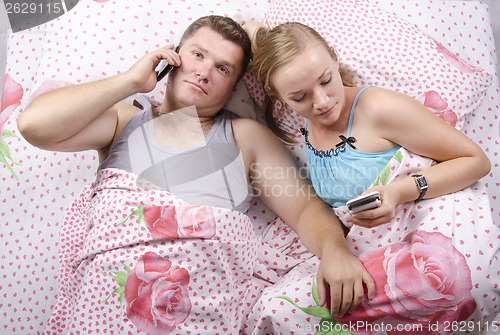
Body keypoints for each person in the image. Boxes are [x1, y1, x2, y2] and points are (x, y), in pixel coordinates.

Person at [17, 15, 374, 319]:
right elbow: (35, 125)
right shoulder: (124, 120)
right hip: (108, 299)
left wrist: (334, 250)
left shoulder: (243, 137)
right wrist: (129, 81)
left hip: (198, 303)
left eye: (222, 69)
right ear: (171, 58)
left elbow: (305, 208)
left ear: (233, 86)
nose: (204, 73)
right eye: (197, 55)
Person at [243, 21, 491, 228]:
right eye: (300, 97)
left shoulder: (379, 109)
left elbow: (477, 161)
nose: (321, 102)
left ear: (334, 58)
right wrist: (252, 28)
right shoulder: (298, 112)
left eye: (327, 80)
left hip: (426, 224)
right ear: (279, 97)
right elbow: (269, 52)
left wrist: (399, 192)